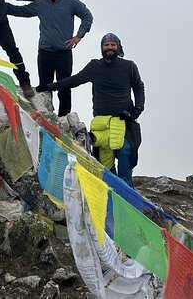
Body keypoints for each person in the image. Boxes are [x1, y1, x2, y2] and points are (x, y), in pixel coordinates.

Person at [41, 33, 145, 187]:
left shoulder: (129, 66)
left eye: (112, 45)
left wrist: (137, 109)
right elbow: (74, 80)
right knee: (105, 162)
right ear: (102, 48)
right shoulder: (94, 66)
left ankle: (127, 191)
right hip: (101, 123)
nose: (109, 48)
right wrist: (49, 86)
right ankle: (112, 193)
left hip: (125, 121)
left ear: (118, 47)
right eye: (106, 45)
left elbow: (138, 87)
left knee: (125, 153)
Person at [6, 0, 93, 116]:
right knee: (44, 87)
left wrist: (79, 36)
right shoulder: (41, 2)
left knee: (64, 86)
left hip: (64, 52)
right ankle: (47, 116)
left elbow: (87, 16)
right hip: (45, 52)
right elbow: (21, 11)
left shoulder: (70, 1)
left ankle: (64, 118)